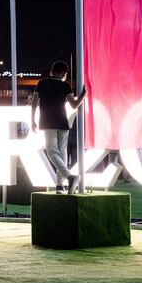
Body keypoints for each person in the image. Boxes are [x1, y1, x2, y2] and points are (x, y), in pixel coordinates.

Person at [30, 61, 86, 194]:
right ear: (64, 74)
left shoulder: (42, 83)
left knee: (52, 153)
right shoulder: (65, 86)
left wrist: (32, 120)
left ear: (52, 71)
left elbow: (34, 103)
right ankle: (60, 185)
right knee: (62, 153)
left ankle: (69, 179)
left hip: (47, 122)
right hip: (62, 122)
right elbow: (74, 105)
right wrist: (84, 94)